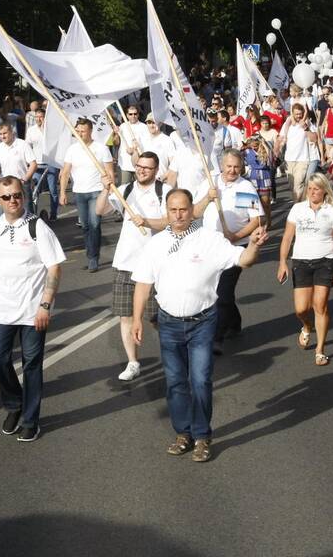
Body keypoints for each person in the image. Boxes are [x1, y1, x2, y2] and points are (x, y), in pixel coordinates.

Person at [131, 189, 267, 463]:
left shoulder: (210, 239)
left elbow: (243, 260)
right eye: (173, 210)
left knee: (201, 380)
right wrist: (136, 319)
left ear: (192, 209)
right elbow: (143, 283)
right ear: (166, 212)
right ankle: (183, 433)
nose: (179, 215)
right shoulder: (155, 244)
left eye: (183, 209)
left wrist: (253, 245)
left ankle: (203, 436)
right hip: (168, 324)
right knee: (175, 383)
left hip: (202, 323)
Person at [0, 176, 65, 442]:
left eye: (17, 195)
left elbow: (54, 266)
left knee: (32, 364)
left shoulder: (37, 227)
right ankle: (14, 404)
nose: (13, 201)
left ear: (23, 196)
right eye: (7, 197)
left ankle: (30, 420)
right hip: (2, 307)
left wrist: (45, 304)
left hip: (34, 309)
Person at [95, 152, 170, 381]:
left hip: (154, 265)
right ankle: (132, 362)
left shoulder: (163, 192)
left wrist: (147, 222)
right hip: (125, 263)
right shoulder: (125, 189)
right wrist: (106, 188)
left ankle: (173, 357)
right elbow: (100, 210)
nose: (142, 170)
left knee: (157, 318)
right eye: (139, 166)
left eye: (147, 168)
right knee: (125, 316)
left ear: (156, 170)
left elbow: (170, 221)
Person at [193, 149, 264, 348]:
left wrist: (236, 236)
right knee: (211, 290)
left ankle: (216, 338)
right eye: (229, 166)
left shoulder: (244, 187)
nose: (232, 170)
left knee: (222, 292)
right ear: (222, 165)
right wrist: (208, 197)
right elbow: (195, 213)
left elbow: (256, 220)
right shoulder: (210, 182)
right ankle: (234, 322)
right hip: (209, 247)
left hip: (234, 248)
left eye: (236, 167)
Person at [277, 173, 333, 366]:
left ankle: (320, 350)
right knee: (301, 309)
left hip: (326, 261)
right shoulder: (297, 209)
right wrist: (282, 262)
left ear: (324, 190)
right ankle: (307, 327)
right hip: (301, 261)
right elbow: (288, 238)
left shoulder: (332, 210)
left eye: (316, 188)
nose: (312, 192)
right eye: (310, 188)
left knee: (320, 305)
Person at [59, 117, 114, 272]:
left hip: (97, 192)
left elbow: (110, 172)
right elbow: (65, 173)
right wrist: (63, 192)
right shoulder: (72, 149)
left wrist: (108, 189)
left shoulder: (101, 148)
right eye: (78, 131)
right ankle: (91, 253)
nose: (80, 134)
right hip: (79, 192)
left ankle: (93, 258)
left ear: (90, 131)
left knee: (95, 224)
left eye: (83, 131)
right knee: (85, 226)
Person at [276, 104, 320, 202]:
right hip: (289, 160)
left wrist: (305, 128)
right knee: (293, 187)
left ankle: (296, 208)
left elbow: (315, 139)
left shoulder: (307, 123)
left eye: (300, 114)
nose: (299, 116)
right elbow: (280, 138)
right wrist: (276, 152)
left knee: (298, 184)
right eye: (296, 114)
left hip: (303, 159)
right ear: (292, 113)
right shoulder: (287, 124)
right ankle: (302, 203)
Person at [0, 123, 37, 206]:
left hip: (21, 184)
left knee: (26, 213)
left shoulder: (23, 144)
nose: (2, 136)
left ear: (12, 132)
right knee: (1, 215)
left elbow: (33, 164)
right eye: (0, 134)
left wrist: (25, 179)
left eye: (5, 133)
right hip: (4, 186)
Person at [116, 105, 150, 184]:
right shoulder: (122, 126)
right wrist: (116, 134)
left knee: (140, 188)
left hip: (139, 164)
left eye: (135, 114)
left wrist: (136, 150)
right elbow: (116, 143)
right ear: (127, 115)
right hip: (124, 164)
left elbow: (148, 145)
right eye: (130, 114)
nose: (133, 116)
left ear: (138, 114)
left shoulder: (144, 127)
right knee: (123, 189)